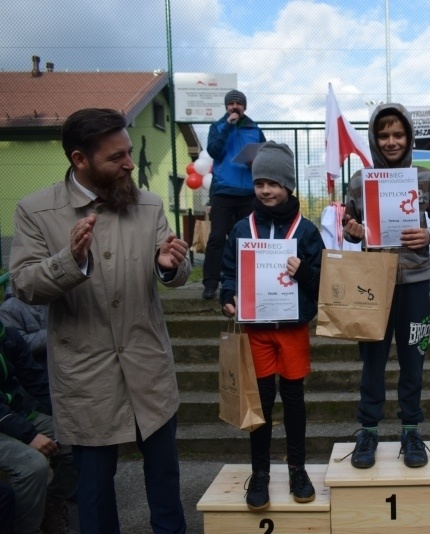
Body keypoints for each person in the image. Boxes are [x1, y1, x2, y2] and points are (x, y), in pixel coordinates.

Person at [9, 108, 190, 533]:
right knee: (94, 490)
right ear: (80, 160)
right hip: (85, 375)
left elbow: (176, 272)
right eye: (116, 157)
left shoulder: (149, 205)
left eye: (128, 152)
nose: (129, 163)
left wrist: (169, 265)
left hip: (148, 367)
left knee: (165, 480)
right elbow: (23, 284)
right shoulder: (36, 211)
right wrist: (69, 261)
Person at [342, 103, 430, 469]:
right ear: (374, 139)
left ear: (409, 138)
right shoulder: (359, 181)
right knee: (371, 361)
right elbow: (349, 223)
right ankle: (369, 430)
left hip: (415, 283)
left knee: (413, 359)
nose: (391, 142)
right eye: (384, 135)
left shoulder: (424, 178)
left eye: (398, 135)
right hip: (373, 284)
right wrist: (352, 230)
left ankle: (411, 429)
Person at [219, 141, 324, 511]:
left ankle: (298, 469)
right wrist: (227, 297)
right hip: (256, 330)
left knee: (294, 401)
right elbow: (229, 273)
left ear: (289, 186)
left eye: (274, 183)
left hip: (292, 328)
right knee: (261, 403)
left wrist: (306, 271)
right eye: (260, 182)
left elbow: (322, 281)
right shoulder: (240, 229)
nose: (266, 190)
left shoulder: (306, 231)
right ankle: (260, 472)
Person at [0, 323, 77, 534]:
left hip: (19, 414)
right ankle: (24, 529)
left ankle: (50, 505)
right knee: (33, 467)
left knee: (78, 438)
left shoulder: (9, 335)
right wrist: (30, 435)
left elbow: (35, 380)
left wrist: (66, 413)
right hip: (7, 421)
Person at [202, 89, 266, 301]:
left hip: (248, 193)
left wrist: (255, 161)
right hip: (223, 191)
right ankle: (211, 283)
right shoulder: (218, 127)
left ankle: (245, 281)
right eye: (231, 103)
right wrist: (228, 126)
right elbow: (213, 151)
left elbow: (265, 156)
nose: (235, 106)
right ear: (227, 107)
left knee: (246, 239)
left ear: (244, 106)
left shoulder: (255, 129)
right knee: (217, 237)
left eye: (239, 103)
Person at [0, 282, 48, 369]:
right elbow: (17, 345)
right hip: (35, 370)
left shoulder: (54, 298)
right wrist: (55, 334)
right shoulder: (9, 308)